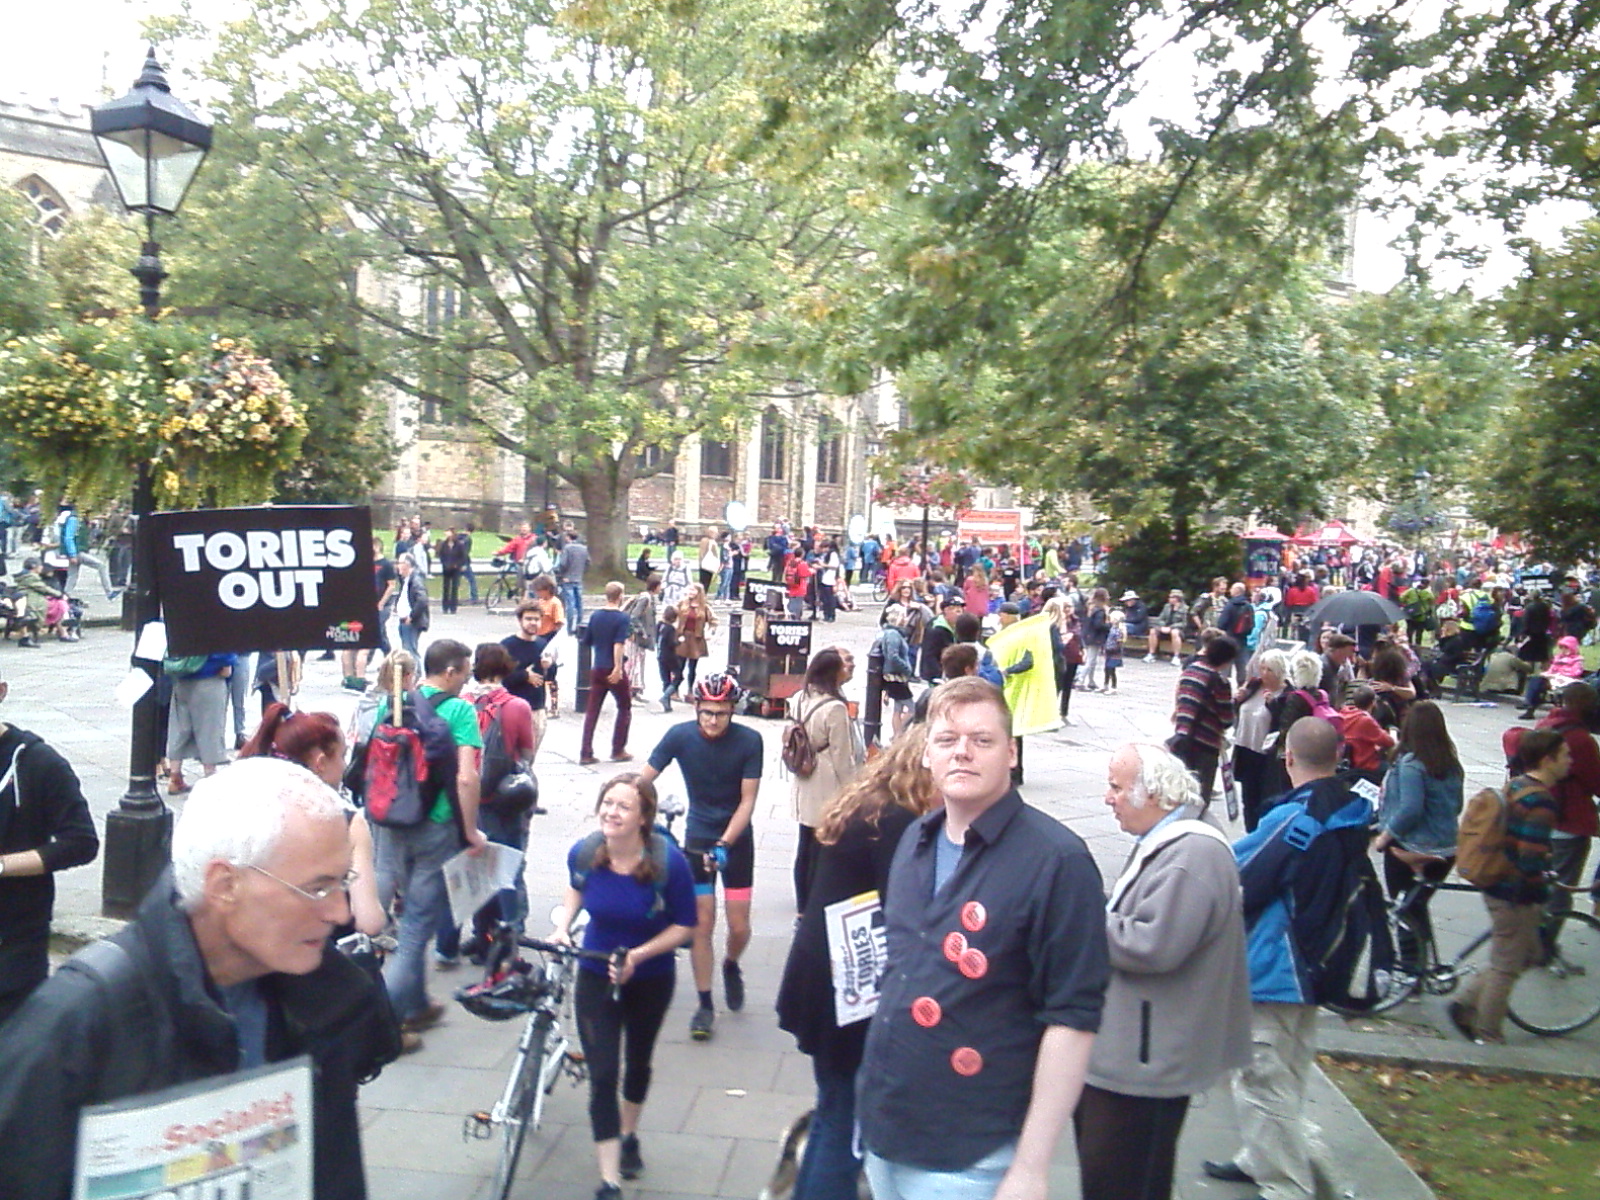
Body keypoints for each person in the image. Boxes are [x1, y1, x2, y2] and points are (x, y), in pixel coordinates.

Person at [0, 758, 401, 1200]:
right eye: (316, 888)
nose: (340, 912)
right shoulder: (81, 1020)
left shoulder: (324, 994)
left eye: (343, 882)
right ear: (225, 885)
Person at [857, 678, 1108, 1200]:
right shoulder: (916, 838)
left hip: (970, 1155)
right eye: (947, 740)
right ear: (926, 753)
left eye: (982, 740)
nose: (962, 752)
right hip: (884, 1129)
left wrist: (1032, 1167)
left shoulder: (1057, 861)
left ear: (1011, 753)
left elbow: (1073, 1019)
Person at [1206, 718, 1375, 1200]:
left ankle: (1286, 1185)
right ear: (1337, 756)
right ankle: (1261, 1157)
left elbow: (1240, 876)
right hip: (1322, 956)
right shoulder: (1351, 806)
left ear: (1288, 758)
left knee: (1260, 1074)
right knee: (1290, 1067)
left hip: (1279, 962)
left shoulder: (1296, 817)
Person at [1079, 743, 1251, 1200]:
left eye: (1117, 788)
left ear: (1154, 794)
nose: (1108, 798)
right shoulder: (1177, 841)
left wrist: (1080, 915)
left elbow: (1153, 947)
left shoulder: (1191, 854)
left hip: (1145, 1059)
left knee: (1119, 1177)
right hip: (1145, 1050)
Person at [777, 726, 939, 1200]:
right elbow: (906, 908)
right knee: (844, 1122)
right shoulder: (899, 822)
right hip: (849, 991)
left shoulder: (869, 804)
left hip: (822, 977)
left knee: (832, 1111)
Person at [554, 774, 696, 1200]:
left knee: (637, 1062)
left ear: (643, 818)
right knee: (602, 1074)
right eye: (607, 803)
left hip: (650, 977)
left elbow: (685, 926)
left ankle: (629, 1133)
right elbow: (576, 889)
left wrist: (638, 956)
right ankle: (610, 1179)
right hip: (595, 971)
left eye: (624, 806)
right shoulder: (585, 853)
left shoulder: (670, 864)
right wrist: (562, 926)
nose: (611, 813)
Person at [370, 639, 487, 1049]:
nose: (467, 680)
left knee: (403, 914)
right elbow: (466, 777)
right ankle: (385, 1028)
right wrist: (471, 831)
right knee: (417, 927)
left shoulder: (394, 704)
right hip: (435, 825)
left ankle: (417, 1003)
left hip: (391, 821)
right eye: (465, 672)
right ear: (450, 672)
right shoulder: (460, 711)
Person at [640, 673, 762, 1041]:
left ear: (732, 710)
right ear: (696, 708)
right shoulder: (679, 736)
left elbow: (748, 802)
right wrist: (626, 810)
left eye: (721, 713)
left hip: (736, 840)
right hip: (697, 838)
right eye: (707, 712)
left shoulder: (749, 741)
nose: (712, 720)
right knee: (702, 924)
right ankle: (705, 1003)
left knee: (739, 926)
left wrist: (724, 843)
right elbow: (643, 780)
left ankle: (731, 963)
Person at [1448, 728, 1566, 1044]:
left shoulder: (1516, 785)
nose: (1570, 761)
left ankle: (1465, 1002)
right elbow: (1530, 856)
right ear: (1548, 759)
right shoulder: (1542, 802)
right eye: (1565, 755)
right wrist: (1540, 882)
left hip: (1496, 881)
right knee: (1506, 967)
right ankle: (1487, 1032)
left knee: (1525, 953)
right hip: (1515, 891)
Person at [0, 661, 99, 1024]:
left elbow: (81, 842)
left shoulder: (38, 763)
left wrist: (4, 865)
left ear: (1, 692)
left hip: (13, 939)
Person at [239, 704, 386, 942]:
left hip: (253, 946)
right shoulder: (347, 823)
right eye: (342, 756)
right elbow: (369, 921)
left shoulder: (246, 805)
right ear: (321, 762)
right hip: (319, 950)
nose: (344, 766)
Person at [1504, 682, 1600, 963]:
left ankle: (1531, 939)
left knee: (1540, 879)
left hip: (1538, 814)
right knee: (1561, 887)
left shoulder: (1547, 724)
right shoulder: (1580, 740)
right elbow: (1596, 781)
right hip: (1568, 820)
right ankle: (1542, 948)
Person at [1372, 699, 1462, 960]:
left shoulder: (1411, 764)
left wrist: (1385, 837)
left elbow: (1410, 809)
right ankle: (1426, 963)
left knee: (1403, 909)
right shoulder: (1450, 763)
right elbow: (1457, 806)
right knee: (1417, 906)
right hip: (1446, 847)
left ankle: (1412, 966)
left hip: (1412, 845)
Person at [788, 647, 865, 914]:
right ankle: (814, 904)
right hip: (827, 782)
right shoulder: (834, 708)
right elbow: (843, 757)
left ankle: (801, 905)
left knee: (804, 845)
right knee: (822, 849)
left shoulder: (800, 698)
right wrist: (853, 791)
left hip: (804, 777)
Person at [1169, 635, 1237, 804]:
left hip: (1181, 740)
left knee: (1180, 794)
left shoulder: (1190, 670)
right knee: (1199, 797)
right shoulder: (1219, 681)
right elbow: (1227, 720)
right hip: (1205, 744)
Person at [580, 581, 636, 766]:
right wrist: (618, 668)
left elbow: (587, 640)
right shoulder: (622, 618)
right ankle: (618, 749)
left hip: (597, 667)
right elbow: (618, 644)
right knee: (624, 706)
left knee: (592, 711)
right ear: (620, 596)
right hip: (612, 667)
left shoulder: (595, 615)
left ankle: (586, 752)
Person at [165, 651, 236, 794]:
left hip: (181, 675)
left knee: (180, 727)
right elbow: (222, 646)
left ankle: (174, 777)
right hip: (209, 675)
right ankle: (210, 777)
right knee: (209, 727)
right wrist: (228, 662)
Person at [500, 599, 551, 762]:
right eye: (528, 619)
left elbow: (549, 678)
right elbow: (501, 679)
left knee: (530, 758)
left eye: (536, 619)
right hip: (512, 708)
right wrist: (524, 675)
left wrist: (549, 666)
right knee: (511, 756)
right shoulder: (507, 646)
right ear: (520, 620)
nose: (533, 623)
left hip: (537, 708)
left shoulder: (543, 644)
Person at [1519, 633, 1584, 719]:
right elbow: (1551, 670)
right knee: (1536, 680)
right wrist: (1548, 674)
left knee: (1541, 684)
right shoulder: (1558, 658)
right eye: (1562, 648)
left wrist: (1560, 673)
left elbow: (1576, 672)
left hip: (1567, 681)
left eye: (1566, 648)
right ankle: (1530, 706)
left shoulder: (1577, 660)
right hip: (1553, 679)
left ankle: (1530, 704)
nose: (1563, 650)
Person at [876, 604, 916, 740]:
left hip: (895, 676)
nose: (906, 619)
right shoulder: (893, 634)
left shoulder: (893, 633)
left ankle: (897, 735)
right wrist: (907, 668)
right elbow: (892, 656)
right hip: (896, 677)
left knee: (898, 708)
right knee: (911, 708)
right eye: (904, 616)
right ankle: (899, 734)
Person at [673, 583, 716, 695]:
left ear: (699, 592)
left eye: (693, 590)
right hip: (682, 638)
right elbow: (671, 614)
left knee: (692, 667)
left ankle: (690, 691)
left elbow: (714, 621)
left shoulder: (704, 607)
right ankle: (674, 690)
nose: (690, 592)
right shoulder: (682, 603)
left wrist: (710, 632)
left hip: (696, 639)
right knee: (679, 666)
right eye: (689, 590)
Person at [395, 553, 429, 657]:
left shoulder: (415, 580)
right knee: (408, 649)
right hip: (404, 620)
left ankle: (417, 668)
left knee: (410, 651)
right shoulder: (406, 579)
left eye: (400, 563)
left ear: (407, 565)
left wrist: (412, 616)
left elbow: (422, 600)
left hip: (410, 621)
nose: (397, 566)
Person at [557, 531, 591, 626]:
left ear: (568, 537)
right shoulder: (584, 548)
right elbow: (588, 562)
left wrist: (562, 575)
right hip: (578, 578)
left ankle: (570, 625)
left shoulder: (567, 548)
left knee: (570, 603)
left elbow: (563, 563)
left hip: (568, 578)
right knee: (579, 603)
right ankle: (579, 624)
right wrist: (581, 572)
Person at [1145, 590, 1190, 663]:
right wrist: (1162, 627)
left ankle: (1176, 656)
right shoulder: (1167, 607)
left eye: (1172, 597)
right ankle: (1151, 654)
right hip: (1164, 629)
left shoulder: (1185, 609)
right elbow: (1160, 619)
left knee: (1174, 632)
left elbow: (1184, 623)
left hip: (1178, 630)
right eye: (1170, 597)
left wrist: (1171, 627)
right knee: (1153, 631)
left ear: (1178, 599)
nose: (1170, 599)